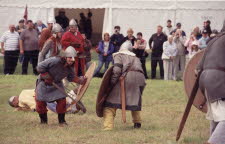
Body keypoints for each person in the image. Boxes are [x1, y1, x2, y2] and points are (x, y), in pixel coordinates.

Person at [35, 46, 87, 125]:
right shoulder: (54, 60)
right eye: (70, 57)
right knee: (40, 102)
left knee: (62, 101)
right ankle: (43, 122)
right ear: (65, 57)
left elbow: (71, 77)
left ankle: (62, 121)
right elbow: (40, 67)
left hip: (57, 84)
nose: (72, 60)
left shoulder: (70, 68)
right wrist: (47, 76)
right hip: (43, 83)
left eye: (73, 58)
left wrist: (80, 81)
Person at [102, 41, 146, 130]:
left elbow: (117, 71)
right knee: (134, 99)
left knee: (110, 102)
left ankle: (108, 127)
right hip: (141, 79)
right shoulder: (136, 58)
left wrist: (111, 84)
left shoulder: (119, 55)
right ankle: (137, 123)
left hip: (128, 77)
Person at [195, 20, 225, 144]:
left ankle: (213, 138)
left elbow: (197, 69)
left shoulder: (213, 40)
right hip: (219, 81)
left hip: (205, 81)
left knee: (216, 117)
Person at [8, 89, 86, 113]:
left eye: (14, 104)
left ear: (15, 101)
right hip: (44, 91)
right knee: (59, 101)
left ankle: (74, 104)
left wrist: (35, 108)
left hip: (43, 100)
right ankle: (73, 97)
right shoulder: (23, 92)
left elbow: (31, 103)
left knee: (57, 109)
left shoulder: (22, 100)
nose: (15, 106)